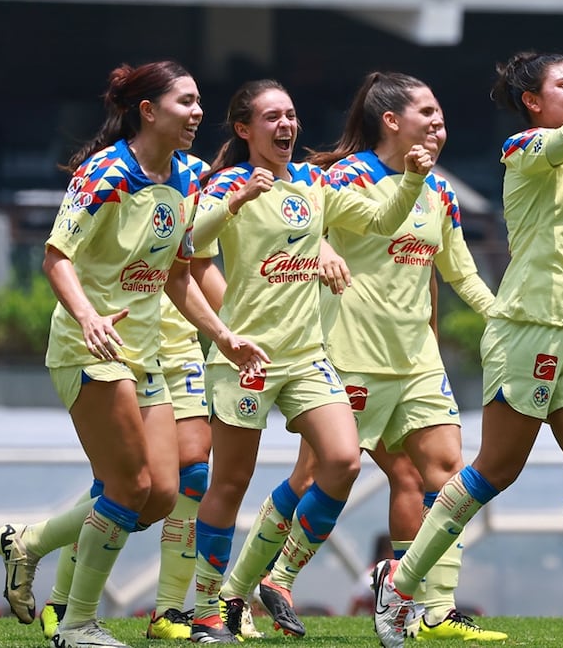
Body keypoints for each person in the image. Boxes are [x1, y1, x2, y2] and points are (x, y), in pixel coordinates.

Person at [371, 32, 563, 648]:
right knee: (495, 469)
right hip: (527, 330)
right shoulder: (528, 148)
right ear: (532, 101)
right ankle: (401, 587)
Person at [215, 71, 506, 643]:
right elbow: (298, 213)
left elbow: (461, 273)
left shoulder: (438, 191)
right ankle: (243, 588)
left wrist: (504, 316)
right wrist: (321, 244)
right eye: (428, 114)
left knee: (444, 472)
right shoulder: (347, 175)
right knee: (312, 475)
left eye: (442, 117)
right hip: (351, 356)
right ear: (392, 121)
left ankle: (432, 607)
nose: (439, 125)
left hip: (418, 359)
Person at [0, 60, 268, 648]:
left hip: (145, 353)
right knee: (126, 485)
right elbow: (55, 258)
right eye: (185, 102)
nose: (197, 113)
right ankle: (77, 624)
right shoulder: (106, 173)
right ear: (148, 111)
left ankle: (29, 544)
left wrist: (222, 335)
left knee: (161, 493)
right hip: (87, 348)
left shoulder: (190, 176)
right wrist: (87, 315)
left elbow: (175, 276)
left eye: (198, 102)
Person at [185, 78, 434, 644]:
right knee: (230, 483)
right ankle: (205, 610)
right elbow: (189, 247)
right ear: (245, 130)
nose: (285, 126)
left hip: (305, 356)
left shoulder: (313, 181)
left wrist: (413, 179)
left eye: (291, 115)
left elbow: (377, 221)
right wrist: (237, 201)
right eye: (271, 118)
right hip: (248, 356)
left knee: (344, 461)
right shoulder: (229, 183)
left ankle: (275, 578)